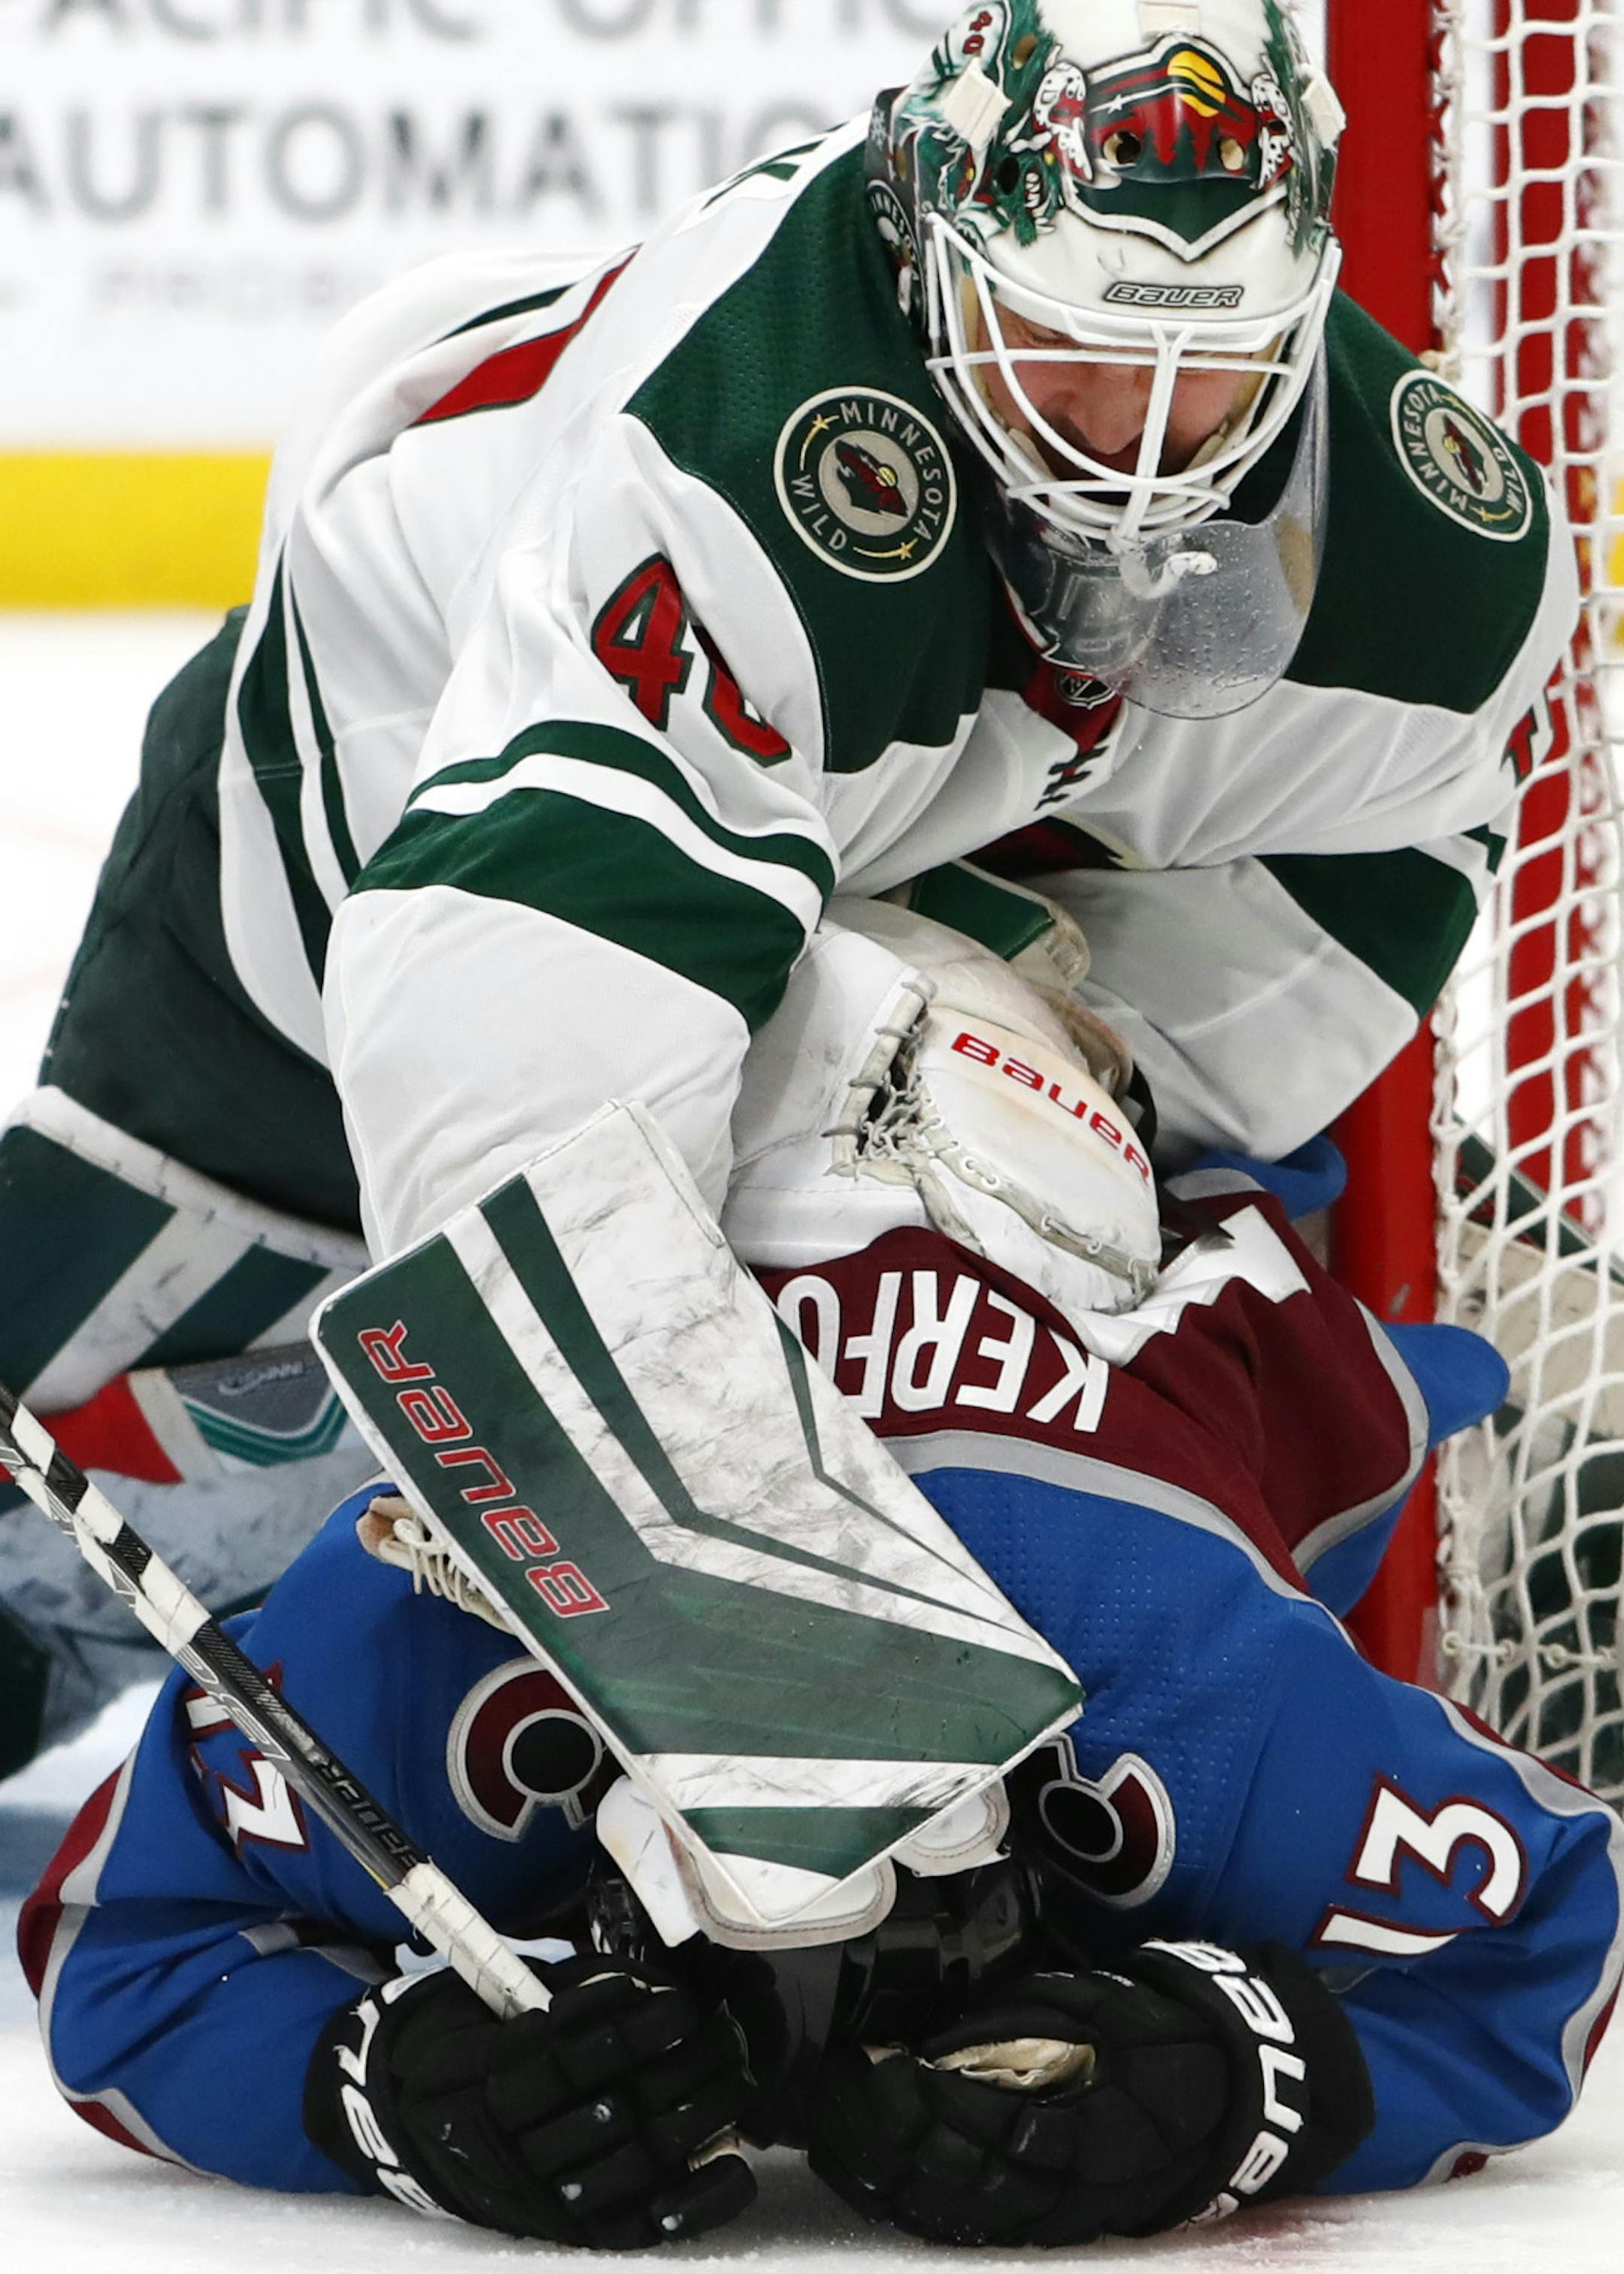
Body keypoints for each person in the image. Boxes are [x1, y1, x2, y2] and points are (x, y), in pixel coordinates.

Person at [0, 0, 1576, 1777]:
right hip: (333, 830)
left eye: (1202, 368)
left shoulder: (1433, 551)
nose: (1135, 440)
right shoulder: (753, 444)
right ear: (934, 237)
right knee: (127, 1411)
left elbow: (1360, 878)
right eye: (1068, 344)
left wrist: (1059, 1137)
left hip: (833, 845)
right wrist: (707, 1621)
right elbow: (520, 1003)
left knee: (931, 1196)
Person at [19, 904, 1623, 2251]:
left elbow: (117, 1949)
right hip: (735, 1173)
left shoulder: (1170, 1675)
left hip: (1070, 1193)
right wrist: (387, 2086)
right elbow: (1544, 1923)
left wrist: (1232, 2084)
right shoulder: (434, 1637)